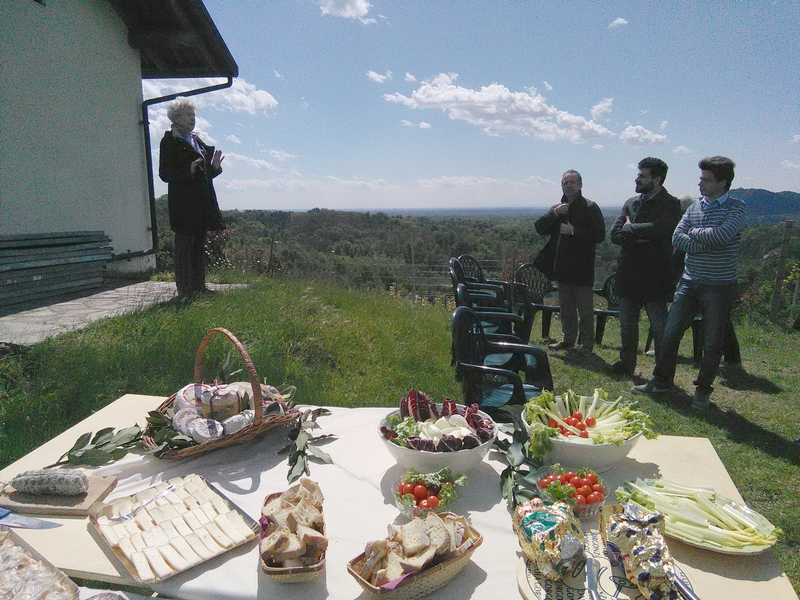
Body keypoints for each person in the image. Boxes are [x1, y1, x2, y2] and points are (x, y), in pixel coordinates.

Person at [633, 156, 746, 411]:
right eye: (701, 178)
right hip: (689, 282)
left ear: (723, 182)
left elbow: (724, 234)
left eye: (706, 180)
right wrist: (705, 241)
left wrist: (694, 236)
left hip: (719, 286)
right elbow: (677, 237)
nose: (700, 183)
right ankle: (660, 381)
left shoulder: (736, 208)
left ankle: (703, 391)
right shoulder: (695, 207)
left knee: (712, 342)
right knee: (670, 333)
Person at [609, 157, 682, 376]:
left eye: (643, 176)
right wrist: (641, 235)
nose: (637, 179)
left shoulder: (671, 203)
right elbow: (614, 234)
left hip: (655, 275)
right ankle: (626, 364)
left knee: (659, 327)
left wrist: (630, 229)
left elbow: (661, 230)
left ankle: (662, 373)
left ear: (657, 179)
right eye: (638, 174)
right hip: (629, 273)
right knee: (627, 326)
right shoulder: (631, 202)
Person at [533, 170, 606, 355]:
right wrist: (554, 214)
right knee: (566, 307)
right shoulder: (558, 208)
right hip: (562, 267)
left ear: (581, 185)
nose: (569, 185)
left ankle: (587, 344)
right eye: (565, 182)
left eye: (573, 182)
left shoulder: (590, 207)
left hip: (582, 268)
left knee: (585, 310)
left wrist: (574, 231)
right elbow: (540, 228)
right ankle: (568, 339)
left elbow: (600, 235)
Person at [159, 98, 225, 298]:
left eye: (194, 115)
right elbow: (165, 174)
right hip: (184, 206)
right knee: (184, 249)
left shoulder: (196, 140)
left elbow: (203, 174)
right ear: (176, 117)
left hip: (201, 204)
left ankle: (199, 287)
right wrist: (187, 169)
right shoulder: (170, 141)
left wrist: (213, 168)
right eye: (188, 115)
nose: (192, 119)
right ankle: (185, 292)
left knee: (198, 247)